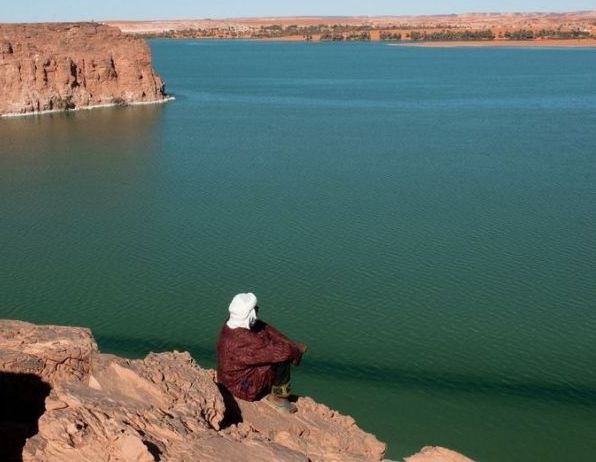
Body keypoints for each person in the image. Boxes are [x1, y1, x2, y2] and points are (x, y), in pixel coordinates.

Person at [216, 292, 307, 413]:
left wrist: (291, 343)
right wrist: (296, 351)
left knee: (265, 333)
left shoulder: (231, 325)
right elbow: (281, 352)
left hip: (226, 379)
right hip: (241, 387)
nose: (258, 309)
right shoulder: (245, 341)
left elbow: (266, 329)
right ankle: (279, 397)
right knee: (282, 357)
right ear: (249, 313)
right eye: (255, 308)